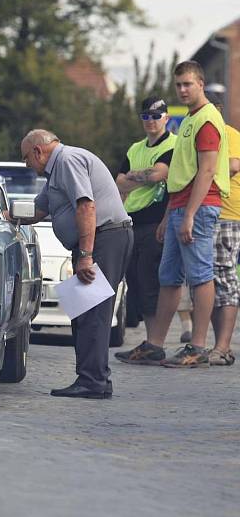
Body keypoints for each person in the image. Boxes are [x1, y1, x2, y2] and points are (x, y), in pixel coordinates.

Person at [116, 60, 230, 367]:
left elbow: (207, 170)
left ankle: (198, 346)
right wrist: (170, 216)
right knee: (169, 278)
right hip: (180, 205)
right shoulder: (191, 119)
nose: (182, 90)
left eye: (188, 84)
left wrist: (190, 213)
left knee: (201, 276)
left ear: (201, 84)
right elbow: (181, 174)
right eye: (178, 85)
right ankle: (155, 345)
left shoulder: (206, 119)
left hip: (200, 205)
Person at [20, 129, 132, 399]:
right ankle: (95, 378)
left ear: (38, 151)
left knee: (93, 313)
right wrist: (6, 216)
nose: (26, 165)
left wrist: (85, 254)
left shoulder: (68, 161)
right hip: (101, 239)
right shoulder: (56, 170)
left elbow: (86, 207)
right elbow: (38, 210)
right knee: (83, 313)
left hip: (105, 238)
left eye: (26, 158)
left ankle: (92, 381)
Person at [114, 96, 176, 343]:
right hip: (133, 221)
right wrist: (146, 175)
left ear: (166, 118)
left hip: (156, 221)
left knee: (150, 283)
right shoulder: (135, 148)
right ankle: (150, 341)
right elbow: (119, 180)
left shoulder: (173, 145)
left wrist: (134, 176)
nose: (151, 121)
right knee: (136, 283)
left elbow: (160, 174)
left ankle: (154, 342)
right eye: (146, 116)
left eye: (156, 116)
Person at [205, 90, 238, 366]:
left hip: (227, 215)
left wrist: (201, 168)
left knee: (224, 278)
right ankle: (219, 346)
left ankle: (223, 346)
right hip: (209, 212)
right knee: (209, 282)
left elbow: (233, 166)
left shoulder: (229, 134)